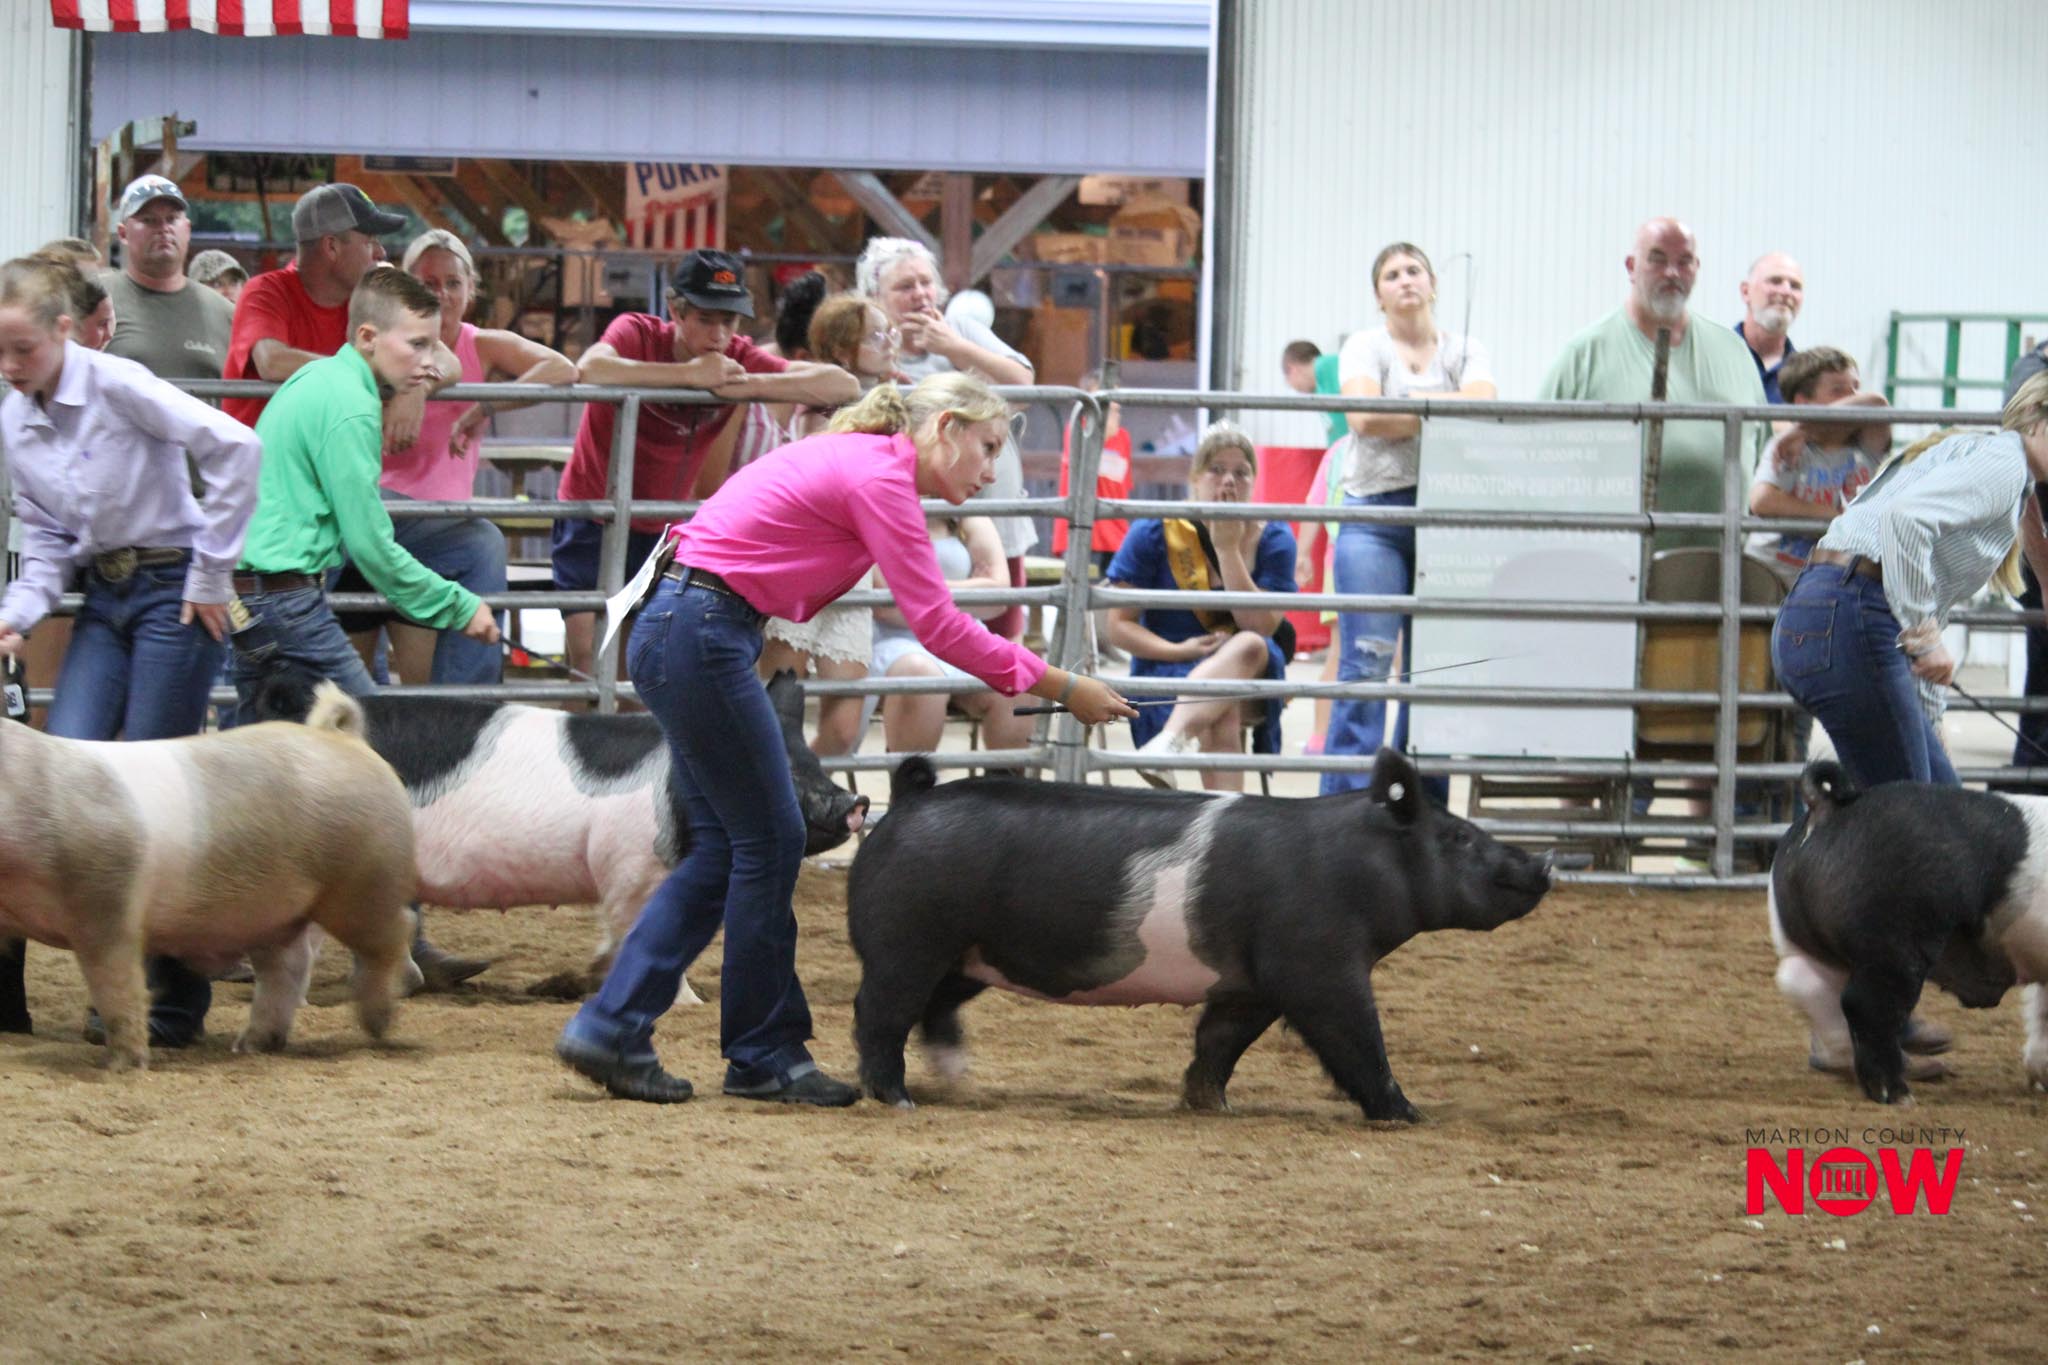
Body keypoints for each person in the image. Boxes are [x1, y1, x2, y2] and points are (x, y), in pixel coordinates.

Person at [554, 372, 1135, 1105]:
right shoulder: (881, 477)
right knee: (768, 839)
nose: (992, 470)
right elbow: (938, 624)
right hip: (701, 629)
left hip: (688, 625)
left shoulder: (863, 462)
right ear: (946, 428)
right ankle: (756, 1052)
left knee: (735, 845)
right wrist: (1061, 684)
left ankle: (620, 1026)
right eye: (988, 447)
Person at [0, 254, 262, 1050]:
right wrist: (15, 616)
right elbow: (46, 537)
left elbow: (235, 447)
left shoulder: (120, 384)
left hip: (174, 589)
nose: (8, 365)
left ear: (65, 330)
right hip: (107, 597)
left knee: (153, 793)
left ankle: (173, 999)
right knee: (65, 771)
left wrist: (212, 572)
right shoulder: (16, 417)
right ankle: (115, 986)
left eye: (21, 348)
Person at [552, 249, 858, 683]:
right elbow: (590, 368)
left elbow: (842, 384)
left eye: (728, 321)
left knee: (639, 662)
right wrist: (689, 377)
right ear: (675, 310)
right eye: (705, 319)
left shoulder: (735, 358)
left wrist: (742, 384)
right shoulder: (637, 331)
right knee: (589, 655)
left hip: (663, 528)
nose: (718, 334)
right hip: (593, 514)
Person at [228, 265, 500, 719]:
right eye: (417, 345)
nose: (430, 362)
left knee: (260, 749)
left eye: (434, 345)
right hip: (285, 600)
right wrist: (460, 607)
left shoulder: (322, 379)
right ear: (368, 337)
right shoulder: (353, 408)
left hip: (250, 598)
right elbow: (371, 546)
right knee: (367, 734)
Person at [1772, 372, 2048, 789]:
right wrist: (1925, 639)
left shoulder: (1973, 455)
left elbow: (1922, 597)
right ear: (2032, 413)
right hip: (1855, 614)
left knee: (1936, 804)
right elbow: (1905, 521)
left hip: (1825, 610)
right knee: (1921, 815)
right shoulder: (2005, 463)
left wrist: (1932, 723)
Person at [334, 229, 575, 686]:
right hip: (367, 522)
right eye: (427, 283)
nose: (441, 294)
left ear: (470, 290)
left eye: (452, 283)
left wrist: (485, 405)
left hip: (436, 540)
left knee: (423, 691)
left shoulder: (480, 344)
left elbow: (562, 368)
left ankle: (466, 716)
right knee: (350, 695)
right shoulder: (382, 342)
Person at [1321, 242, 1495, 796]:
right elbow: (1365, 417)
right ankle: (1344, 811)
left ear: (1433, 283)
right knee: (1366, 668)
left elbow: (1485, 408)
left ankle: (1423, 815)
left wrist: (1406, 411)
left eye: (1414, 270)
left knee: (1436, 674)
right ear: (1379, 295)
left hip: (1447, 518)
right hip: (1374, 514)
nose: (1405, 280)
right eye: (1392, 274)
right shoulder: (1364, 345)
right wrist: (1445, 408)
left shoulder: (1467, 348)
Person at [1539, 217, 1766, 549]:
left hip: (1721, 564)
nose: (1672, 272)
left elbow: (1763, 451)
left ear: (1697, 268)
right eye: (1657, 259)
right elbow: (1540, 456)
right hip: (1612, 561)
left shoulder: (1734, 351)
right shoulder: (1584, 355)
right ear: (1631, 267)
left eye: (1684, 261)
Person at [857, 236, 1035, 641]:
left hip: (993, 502)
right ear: (875, 297)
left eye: (926, 282)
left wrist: (954, 348)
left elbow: (1024, 386)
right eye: (905, 286)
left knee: (1004, 635)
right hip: (919, 515)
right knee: (914, 621)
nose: (920, 294)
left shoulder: (961, 329)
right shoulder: (872, 347)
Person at [1106, 421, 1297, 792]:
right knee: (1222, 708)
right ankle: (1227, 823)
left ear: (1254, 482)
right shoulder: (1156, 529)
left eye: (1241, 472)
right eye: (1217, 470)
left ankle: (1167, 745)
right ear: (1195, 478)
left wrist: (1227, 549)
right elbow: (1118, 627)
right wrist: (1179, 651)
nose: (1228, 482)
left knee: (1249, 645)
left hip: (1250, 669)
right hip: (1166, 664)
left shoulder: (1274, 536)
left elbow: (1260, 627)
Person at [754, 292, 896, 757]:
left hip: (853, 571)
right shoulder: (818, 401)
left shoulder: (892, 402)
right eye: (875, 336)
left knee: (844, 727)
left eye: (889, 333)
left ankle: (802, 792)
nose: (888, 343)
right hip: (803, 561)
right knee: (781, 706)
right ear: (841, 349)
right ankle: (776, 792)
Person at [222, 182, 408, 431]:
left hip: (324, 451)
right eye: (369, 241)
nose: (381, 252)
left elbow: (438, 357)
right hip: (262, 454)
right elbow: (272, 361)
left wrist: (414, 392)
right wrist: (367, 374)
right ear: (331, 246)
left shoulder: (370, 300)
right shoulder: (265, 291)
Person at [871, 512, 1036, 753]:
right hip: (895, 641)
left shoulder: (970, 519)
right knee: (920, 676)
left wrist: (915, 589)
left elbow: (998, 599)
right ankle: (912, 776)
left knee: (1019, 673)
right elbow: (888, 607)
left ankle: (1004, 775)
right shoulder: (876, 511)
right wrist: (969, 591)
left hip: (964, 636)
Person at [1748, 347, 1890, 583]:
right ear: (1803, 403)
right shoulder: (1787, 448)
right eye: (1838, 390)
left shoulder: (1866, 446)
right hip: (1771, 575)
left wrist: (1803, 427)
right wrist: (1836, 517)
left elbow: (1877, 403)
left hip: (1831, 581)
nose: (1853, 398)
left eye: (1856, 388)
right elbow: (1762, 500)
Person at [99, 174, 235, 386]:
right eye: (149, 220)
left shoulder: (225, 313)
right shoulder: (94, 300)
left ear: (187, 229)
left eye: (172, 219)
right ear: (123, 234)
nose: (163, 228)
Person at [1734, 251, 1804, 404]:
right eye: (1775, 281)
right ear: (1746, 292)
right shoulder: (1710, 356)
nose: (1786, 292)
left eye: (1795, 286)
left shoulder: (1807, 377)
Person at [1282, 338, 1349, 447]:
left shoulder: (1326, 366)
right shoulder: (1319, 387)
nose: (1294, 388)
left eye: (1287, 380)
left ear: (1292, 369)